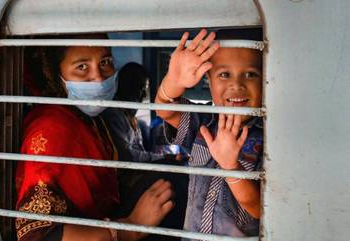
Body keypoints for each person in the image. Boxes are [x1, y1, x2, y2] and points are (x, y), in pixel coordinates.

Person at [15, 35, 174, 241]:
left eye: (105, 63)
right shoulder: (51, 129)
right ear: (55, 74)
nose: (98, 78)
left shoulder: (90, 120)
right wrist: (132, 227)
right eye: (82, 67)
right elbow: (38, 234)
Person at [155, 28, 263, 238]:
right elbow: (165, 111)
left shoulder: (270, 137)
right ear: (209, 79)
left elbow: (261, 207)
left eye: (251, 74)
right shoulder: (204, 121)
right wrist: (174, 81)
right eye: (224, 74)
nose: (236, 85)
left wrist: (232, 167)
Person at [101, 62, 188, 241]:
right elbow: (127, 157)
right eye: (138, 87)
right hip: (121, 184)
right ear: (123, 85)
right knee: (173, 175)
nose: (141, 94)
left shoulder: (131, 118)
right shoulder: (113, 113)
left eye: (144, 90)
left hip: (135, 176)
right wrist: (162, 158)